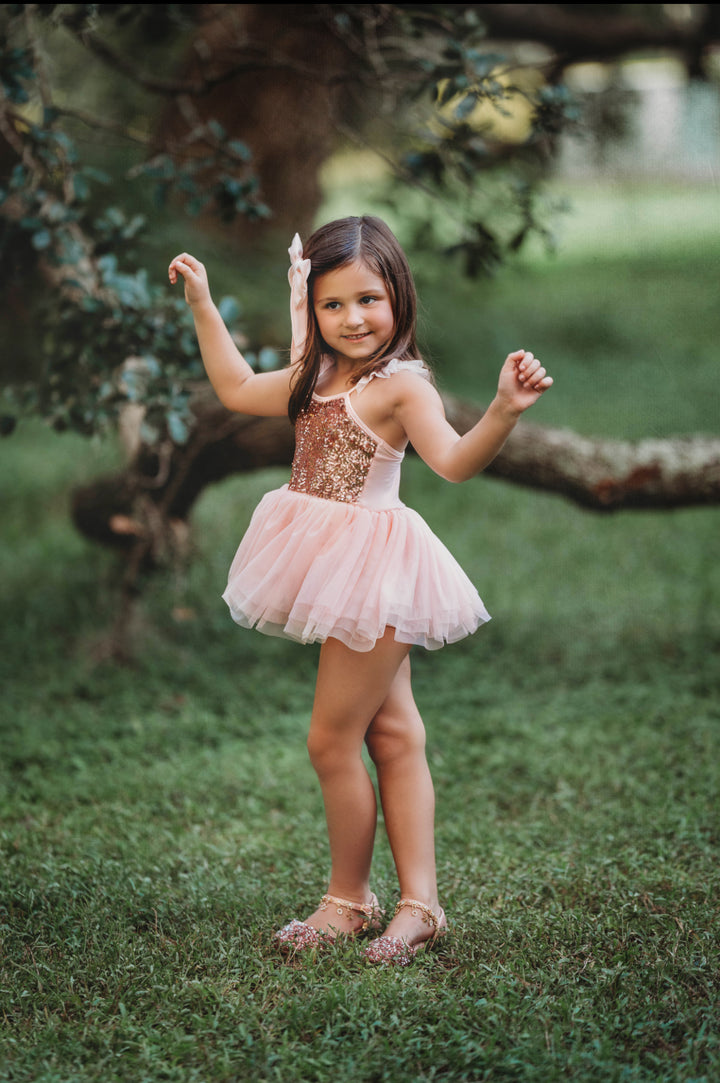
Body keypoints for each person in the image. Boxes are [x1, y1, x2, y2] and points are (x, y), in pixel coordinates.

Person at [168, 215, 552, 966]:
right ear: (311, 306)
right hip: (339, 566)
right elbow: (239, 386)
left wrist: (503, 410)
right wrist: (204, 306)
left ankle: (349, 900)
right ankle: (421, 906)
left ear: (398, 297)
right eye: (332, 304)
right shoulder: (319, 374)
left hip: (374, 569)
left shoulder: (400, 385)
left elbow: (452, 462)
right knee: (393, 733)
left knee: (331, 738)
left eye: (368, 299)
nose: (352, 319)